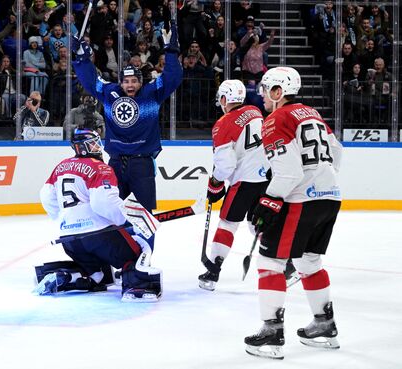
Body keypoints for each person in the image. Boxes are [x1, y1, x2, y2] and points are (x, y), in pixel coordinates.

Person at [244, 67, 343, 359]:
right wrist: (320, 181)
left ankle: (271, 334)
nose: (261, 94)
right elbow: (337, 153)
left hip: (301, 200)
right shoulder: (313, 114)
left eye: (265, 89)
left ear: (278, 93)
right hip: (330, 196)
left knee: (270, 262)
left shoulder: (277, 119)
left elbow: (288, 173)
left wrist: (269, 201)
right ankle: (324, 324)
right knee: (310, 260)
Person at [70, 20, 183, 250]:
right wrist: (81, 57)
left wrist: (171, 49)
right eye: (126, 80)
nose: (130, 85)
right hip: (115, 164)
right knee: (111, 213)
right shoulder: (110, 93)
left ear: (141, 82)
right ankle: (120, 257)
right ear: (120, 82)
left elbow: (173, 77)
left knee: (145, 217)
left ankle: (145, 257)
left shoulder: (153, 92)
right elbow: (90, 80)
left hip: (142, 163)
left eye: (134, 81)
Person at [36, 128, 162, 301]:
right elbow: (104, 202)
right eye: (94, 144)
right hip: (98, 236)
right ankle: (136, 285)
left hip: (69, 240)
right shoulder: (100, 167)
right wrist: (129, 219)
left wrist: (64, 219)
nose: (98, 147)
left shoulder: (61, 166)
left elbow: (46, 196)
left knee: (99, 276)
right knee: (138, 251)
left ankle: (71, 278)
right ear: (82, 147)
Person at [197, 79, 269, 291]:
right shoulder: (255, 111)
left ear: (224, 98)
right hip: (267, 178)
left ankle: (213, 271)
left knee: (228, 223)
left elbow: (226, 166)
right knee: (258, 223)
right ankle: (283, 263)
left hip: (243, 182)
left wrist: (215, 183)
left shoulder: (223, 123)